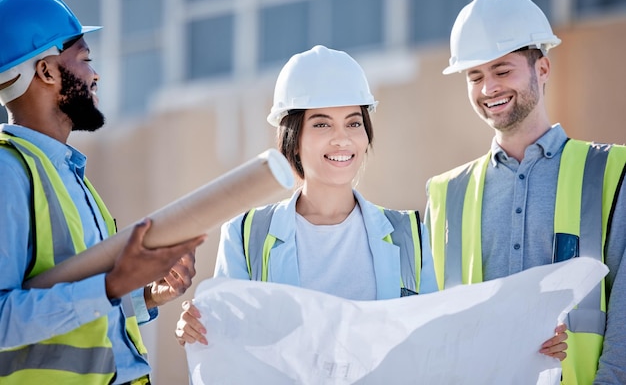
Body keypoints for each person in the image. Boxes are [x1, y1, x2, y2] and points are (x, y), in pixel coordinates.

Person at [174, 45, 567, 362]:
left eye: (354, 122)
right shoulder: (246, 235)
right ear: (293, 138)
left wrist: (525, 340)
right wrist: (194, 328)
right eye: (322, 124)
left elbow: (441, 342)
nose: (342, 139)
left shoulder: (409, 234)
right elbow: (227, 344)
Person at [0, 0, 207, 385]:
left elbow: (83, 306)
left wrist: (145, 292)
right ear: (45, 70)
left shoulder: (67, 176)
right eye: (84, 59)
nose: (95, 74)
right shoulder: (8, 173)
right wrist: (114, 283)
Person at [425, 0, 626, 384]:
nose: (488, 89)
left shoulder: (611, 170)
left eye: (502, 71)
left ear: (544, 69)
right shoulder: (445, 195)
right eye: (475, 76)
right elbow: (437, 323)